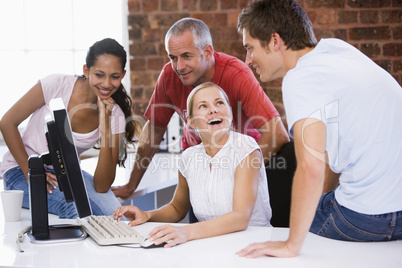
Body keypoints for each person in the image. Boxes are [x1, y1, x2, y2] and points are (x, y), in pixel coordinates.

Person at [236, 0, 402, 258]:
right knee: (317, 200)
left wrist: (291, 245)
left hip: (369, 218)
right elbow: (331, 156)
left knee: (287, 213)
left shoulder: (301, 78)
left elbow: (311, 168)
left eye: (250, 48)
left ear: (274, 41)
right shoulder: (337, 50)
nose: (248, 60)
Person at [111, 17, 289, 199]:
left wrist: (234, 174)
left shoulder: (236, 74)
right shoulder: (168, 75)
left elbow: (278, 134)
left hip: (242, 165)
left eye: (187, 56)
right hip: (200, 165)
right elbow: (154, 130)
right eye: (173, 58)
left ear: (208, 52)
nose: (179, 67)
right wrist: (130, 185)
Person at [114, 82, 271, 247]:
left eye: (219, 103)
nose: (213, 110)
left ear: (230, 112)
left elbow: (240, 217)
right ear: (191, 122)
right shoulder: (189, 157)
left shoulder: (246, 147)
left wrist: (186, 232)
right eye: (203, 106)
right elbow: (176, 208)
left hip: (253, 244)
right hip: (209, 245)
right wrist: (147, 215)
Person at [0, 38, 140, 219]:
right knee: (76, 208)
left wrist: (105, 126)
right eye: (99, 75)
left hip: (66, 174)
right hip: (20, 171)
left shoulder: (116, 114)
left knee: (113, 216)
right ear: (86, 70)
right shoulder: (55, 85)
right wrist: (32, 173)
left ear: (123, 75)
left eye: (114, 76)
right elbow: (7, 122)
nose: (106, 84)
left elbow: (101, 186)